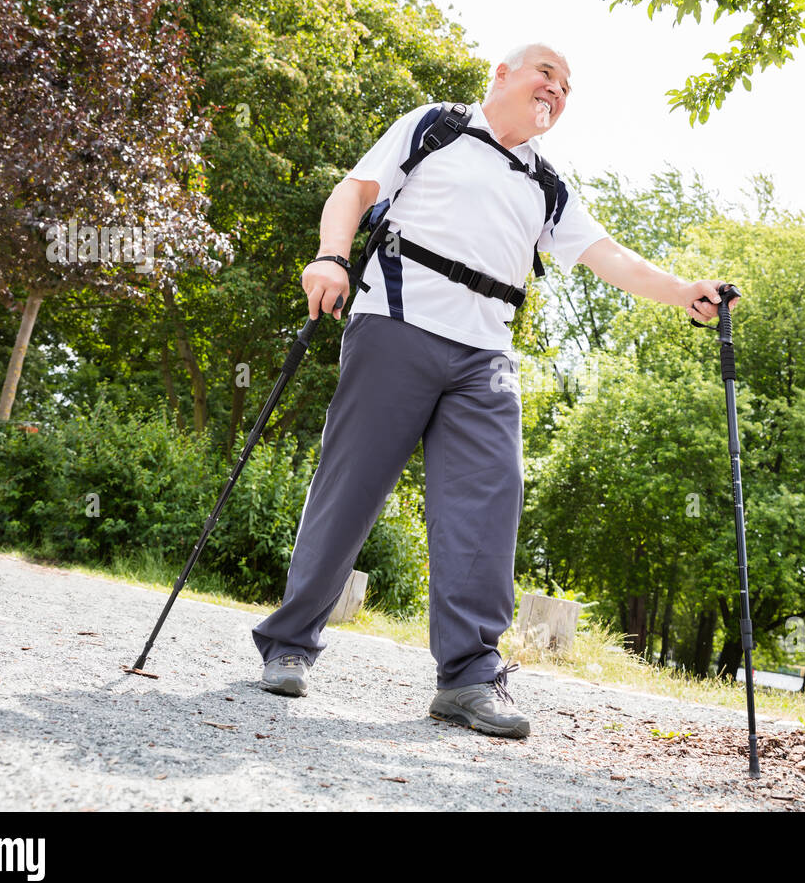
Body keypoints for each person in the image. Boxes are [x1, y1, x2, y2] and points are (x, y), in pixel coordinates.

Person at [251, 42, 738, 739]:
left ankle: (469, 677)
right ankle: (290, 643)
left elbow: (609, 255)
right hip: (396, 322)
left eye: (568, 87)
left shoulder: (547, 185)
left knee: (490, 497)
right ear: (502, 75)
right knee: (352, 487)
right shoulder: (435, 126)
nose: (558, 90)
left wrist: (681, 291)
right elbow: (354, 193)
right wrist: (330, 257)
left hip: (487, 354)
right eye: (548, 73)